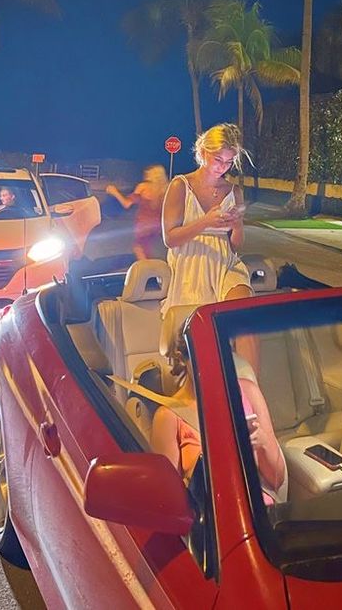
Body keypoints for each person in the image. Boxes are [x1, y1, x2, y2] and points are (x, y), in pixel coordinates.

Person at [150, 331, 287, 504]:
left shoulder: (248, 392)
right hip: (213, 521)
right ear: (183, 359)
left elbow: (277, 480)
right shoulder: (168, 417)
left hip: (259, 513)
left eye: (217, 355)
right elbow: (169, 501)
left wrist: (263, 442)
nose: (210, 364)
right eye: (201, 356)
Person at [160, 123, 251, 312]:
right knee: (198, 333)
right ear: (202, 152)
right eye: (218, 159)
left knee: (243, 319)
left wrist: (238, 226)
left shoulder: (234, 192)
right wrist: (205, 222)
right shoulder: (180, 185)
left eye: (229, 162)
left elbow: (234, 246)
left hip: (226, 265)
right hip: (191, 266)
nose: (223, 167)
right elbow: (170, 239)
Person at [106, 165, 169, 259]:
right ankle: (151, 269)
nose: (146, 174)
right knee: (148, 249)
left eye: (149, 173)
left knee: (139, 249)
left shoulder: (143, 187)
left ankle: (147, 271)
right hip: (157, 225)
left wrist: (114, 192)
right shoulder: (165, 189)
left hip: (143, 225)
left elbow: (127, 204)